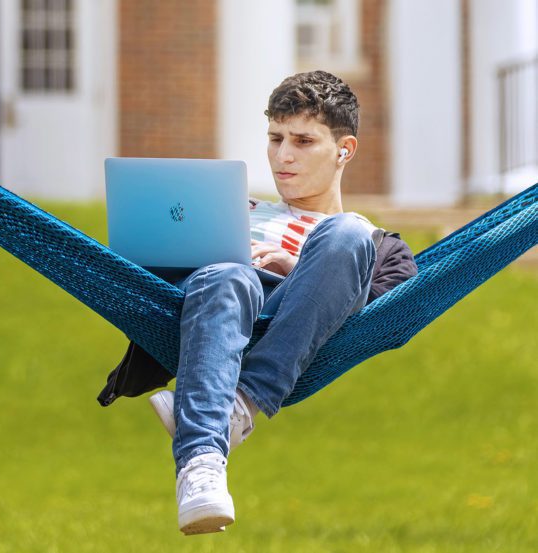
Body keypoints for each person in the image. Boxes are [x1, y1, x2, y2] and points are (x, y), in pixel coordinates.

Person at [97, 70, 418, 535]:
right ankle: (203, 463)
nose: (283, 157)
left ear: (344, 150)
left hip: (296, 325)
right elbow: (152, 278)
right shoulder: (228, 207)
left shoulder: (374, 243)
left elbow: (388, 315)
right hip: (216, 312)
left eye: (303, 141)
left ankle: (232, 409)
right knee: (230, 274)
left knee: (344, 232)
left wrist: (299, 268)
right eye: (275, 138)